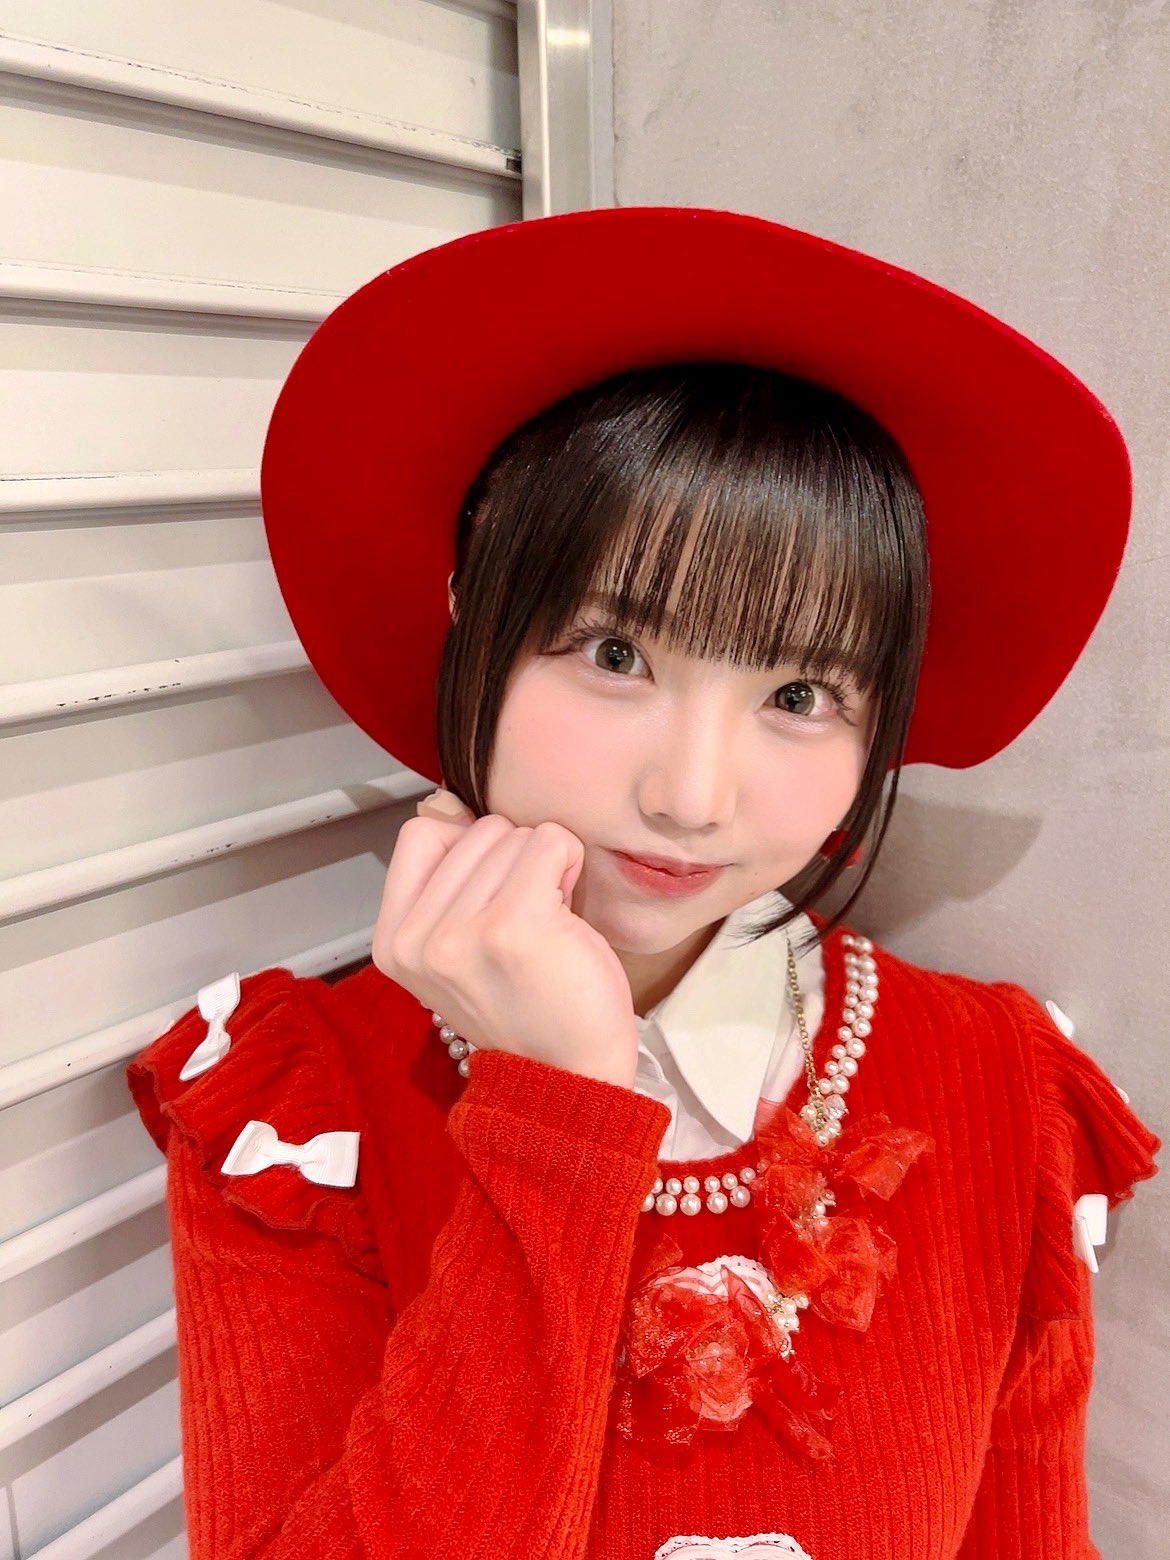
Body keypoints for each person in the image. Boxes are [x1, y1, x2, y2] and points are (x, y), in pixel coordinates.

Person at [126, 206, 1160, 1559]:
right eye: (616, 656)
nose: (691, 796)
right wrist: (555, 1113)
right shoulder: (300, 1117)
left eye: (800, 694)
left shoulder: (995, 1087)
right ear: (473, 625)